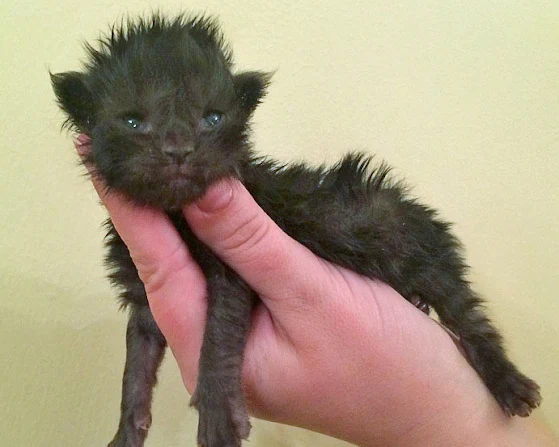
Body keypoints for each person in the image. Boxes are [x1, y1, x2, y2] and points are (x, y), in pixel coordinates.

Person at [76, 136, 556, 446]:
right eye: (138, 123)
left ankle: (499, 370)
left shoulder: (233, 205)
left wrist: (442, 411)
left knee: (453, 302)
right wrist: (131, 421)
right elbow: (148, 314)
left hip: (388, 235)